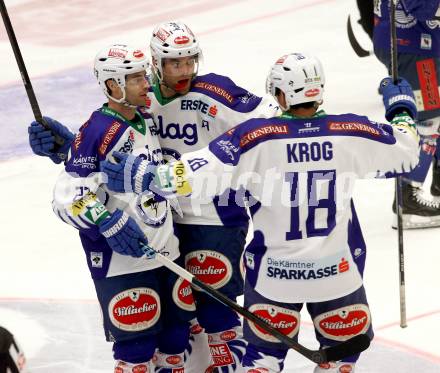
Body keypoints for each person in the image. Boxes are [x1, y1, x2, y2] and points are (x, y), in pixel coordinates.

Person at [101, 53, 420, 373]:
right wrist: (402, 106)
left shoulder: (254, 138)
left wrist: (144, 175)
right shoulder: (349, 131)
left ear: (280, 95)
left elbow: (188, 177)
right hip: (335, 275)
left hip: (274, 278)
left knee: (262, 361)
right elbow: (407, 151)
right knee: (342, 358)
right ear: (318, 91)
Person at [28, 21, 279, 372]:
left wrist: (225, 160)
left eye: (190, 61)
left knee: (207, 313)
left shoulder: (208, 93)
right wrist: (75, 150)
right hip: (160, 235)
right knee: (163, 333)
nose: (185, 71)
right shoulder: (143, 110)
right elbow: (95, 171)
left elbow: (270, 122)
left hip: (211, 219)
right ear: (155, 63)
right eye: (174, 63)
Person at [51, 43, 196, 373]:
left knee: (176, 341)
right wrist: (105, 219)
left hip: (165, 251)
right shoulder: (97, 131)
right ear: (112, 86)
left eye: (144, 75)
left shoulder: (146, 119)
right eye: (135, 78)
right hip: (121, 261)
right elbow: (66, 196)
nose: (146, 83)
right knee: (137, 348)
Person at [373, 0, 440, 228]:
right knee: (431, 121)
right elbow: (420, 5)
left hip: (417, 40)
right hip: (413, 45)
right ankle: (408, 198)